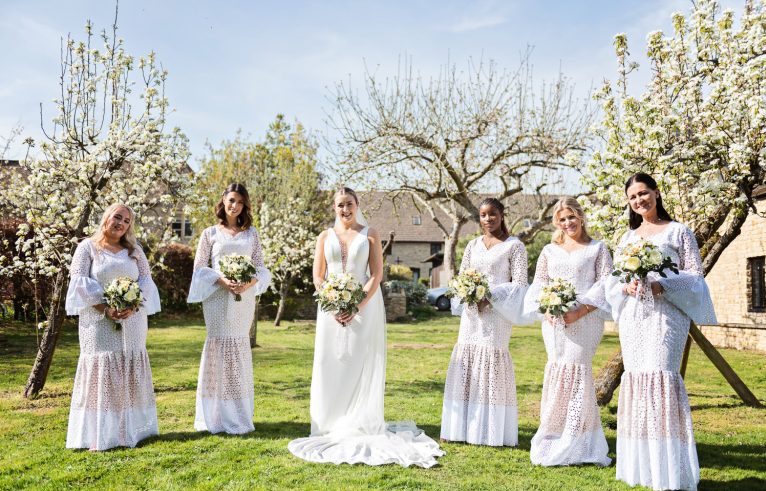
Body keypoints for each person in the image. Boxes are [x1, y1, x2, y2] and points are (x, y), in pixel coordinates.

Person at [288, 187, 444, 467]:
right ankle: (327, 422)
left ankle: (358, 420)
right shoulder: (324, 236)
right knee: (329, 362)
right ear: (333, 208)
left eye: (349, 204)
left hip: (364, 307)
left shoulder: (370, 233)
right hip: (330, 310)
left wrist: (356, 305)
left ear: (357, 205)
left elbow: (376, 274)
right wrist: (334, 303)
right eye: (340, 205)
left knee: (359, 363)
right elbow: (318, 276)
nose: (345, 210)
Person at [605, 173, 717, 491]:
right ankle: (641, 467)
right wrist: (626, 284)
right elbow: (614, 280)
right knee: (639, 379)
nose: (640, 200)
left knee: (662, 378)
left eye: (644, 193)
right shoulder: (628, 239)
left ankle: (671, 470)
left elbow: (696, 277)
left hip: (667, 314)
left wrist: (662, 285)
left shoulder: (679, 231)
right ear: (629, 202)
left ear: (656, 192)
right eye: (633, 197)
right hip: (635, 318)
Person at [523, 197, 612, 466]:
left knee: (576, 370)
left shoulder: (598, 248)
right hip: (554, 324)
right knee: (558, 369)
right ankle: (554, 435)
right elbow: (539, 283)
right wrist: (547, 308)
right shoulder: (549, 250)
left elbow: (605, 284)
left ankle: (579, 439)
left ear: (581, 217)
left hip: (586, 319)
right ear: (556, 223)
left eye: (571, 217)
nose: (568, 223)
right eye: (562, 219)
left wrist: (579, 311)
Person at [64, 203, 161, 450]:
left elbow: (146, 282)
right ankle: (100, 433)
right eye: (117, 217)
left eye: (127, 221)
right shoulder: (87, 248)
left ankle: (131, 430)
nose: (121, 223)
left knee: (129, 368)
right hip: (98, 322)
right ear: (106, 217)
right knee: (102, 371)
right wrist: (107, 309)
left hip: (133, 320)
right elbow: (79, 283)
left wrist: (133, 306)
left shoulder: (134, 250)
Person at [440, 198, 528, 446]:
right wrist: (469, 294)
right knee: (466, 362)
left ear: (502, 215)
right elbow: (463, 276)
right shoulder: (472, 245)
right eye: (483, 215)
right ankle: (460, 427)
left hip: (497, 315)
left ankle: (488, 430)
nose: (488, 219)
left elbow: (520, 283)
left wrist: (488, 296)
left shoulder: (515, 246)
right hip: (471, 315)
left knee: (490, 360)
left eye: (492, 214)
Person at [188, 183, 271, 435]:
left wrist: (247, 283)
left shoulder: (251, 234)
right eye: (231, 200)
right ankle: (213, 416)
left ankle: (238, 415)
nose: (234, 205)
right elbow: (200, 268)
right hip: (217, 296)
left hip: (243, 299)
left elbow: (260, 267)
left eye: (240, 202)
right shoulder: (209, 234)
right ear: (223, 201)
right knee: (218, 348)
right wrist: (223, 280)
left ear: (245, 206)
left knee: (237, 347)